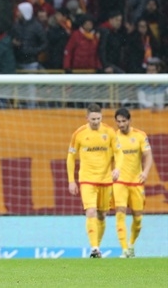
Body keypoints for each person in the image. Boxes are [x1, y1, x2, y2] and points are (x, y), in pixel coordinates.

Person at [66, 103, 123, 258]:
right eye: (93, 119)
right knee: (90, 211)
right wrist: (71, 180)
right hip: (87, 179)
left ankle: (96, 247)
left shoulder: (110, 132)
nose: (96, 122)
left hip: (106, 179)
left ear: (101, 117)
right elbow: (71, 157)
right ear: (87, 118)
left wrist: (117, 168)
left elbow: (119, 152)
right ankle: (94, 248)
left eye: (98, 118)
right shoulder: (79, 133)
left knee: (102, 215)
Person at [114, 108, 153, 258]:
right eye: (118, 121)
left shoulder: (140, 135)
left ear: (130, 121)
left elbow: (148, 156)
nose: (121, 124)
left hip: (136, 182)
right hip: (119, 182)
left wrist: (145, 172)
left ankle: (131, 245)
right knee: (120, 212)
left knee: (138, 219)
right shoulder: (113, 137)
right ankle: (124, 249)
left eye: (124, 121)